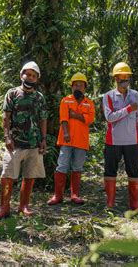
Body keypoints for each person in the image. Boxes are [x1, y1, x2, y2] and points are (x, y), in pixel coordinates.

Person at [0, 61, 48, 219]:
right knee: (7, 175)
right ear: (21, 75)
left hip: (34, 143)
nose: (29, 77)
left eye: (33, 76)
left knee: (30, 175)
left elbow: (43, 119)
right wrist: (7, 136)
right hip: (15, 144)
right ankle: (4, 207)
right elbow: (6, 117)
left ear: (36, 79)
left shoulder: (39, 97)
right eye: (27, 74)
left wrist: (43, 139)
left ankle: (24, 206)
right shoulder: (12, 93)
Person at [47, 72, 95, 205]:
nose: (78, 88)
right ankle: (58, 196)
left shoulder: (89, 103)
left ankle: (75, 195)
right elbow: (64, 118)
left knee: (77, 167)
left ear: (85, 87)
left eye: (81, 85)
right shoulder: (65, 100)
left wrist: (73, 114)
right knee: (62, 165)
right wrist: (67, 133)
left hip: (81, 140)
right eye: (75, 85)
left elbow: (90, 119)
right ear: (72, 87)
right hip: (66, 139)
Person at [102, 62, 138, 210]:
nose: (125, 78)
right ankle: (111, 203)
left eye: (127, 76)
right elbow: (109, 117)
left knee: (133, 170)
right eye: (122, 76)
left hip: (132, 139)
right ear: (116, 78)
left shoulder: (136, 95)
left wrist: (129, 122)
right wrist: (127, 110)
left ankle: (134, 203)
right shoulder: (108, 96)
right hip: (113, 140)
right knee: (110, 170)